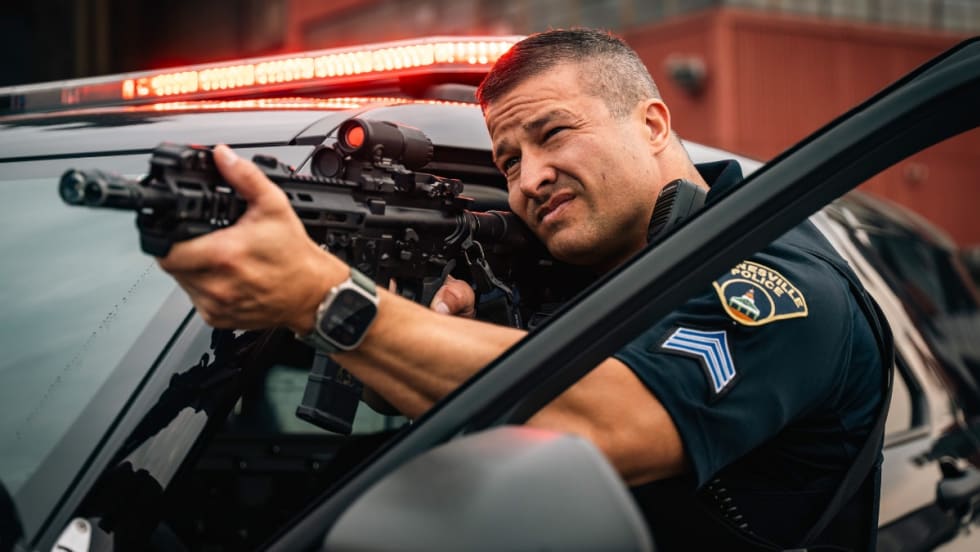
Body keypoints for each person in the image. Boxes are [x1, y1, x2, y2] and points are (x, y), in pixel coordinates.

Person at [159, 29, 889, 550]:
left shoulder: (774, 282)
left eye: (554, 134)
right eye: (508, 160)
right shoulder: (579, 275)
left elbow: (601, 430)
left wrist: (326, 301)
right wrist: (425, 335)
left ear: (654, 122)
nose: (528, 177)